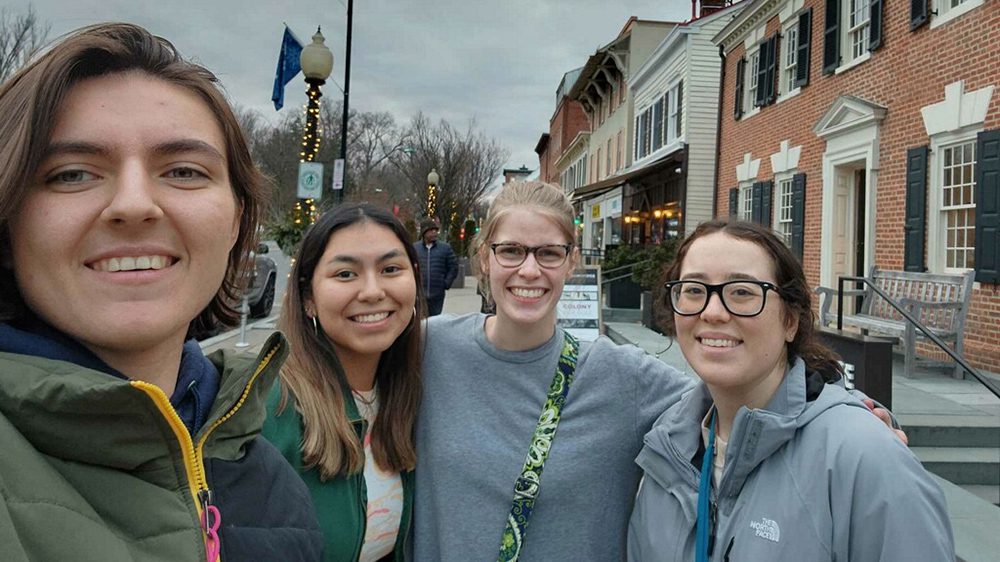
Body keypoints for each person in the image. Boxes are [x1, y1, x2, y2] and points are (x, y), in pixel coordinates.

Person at [412, 181, 906, 562]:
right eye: (511, 251)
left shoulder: (620, 377)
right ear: (485, 258)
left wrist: (856, 412)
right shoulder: (428, 348)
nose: (529, 270)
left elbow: (743, 393)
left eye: (548, 253)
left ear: (571, 262)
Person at [0, 23, 322, 561]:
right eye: (72, 174)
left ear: (238, 222)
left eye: (183, 171)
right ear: (8, 223)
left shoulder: (276, 488)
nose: (133, 203)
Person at [627, 220, 953, 561]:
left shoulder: (865, 458)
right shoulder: (668, 447)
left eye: (742, 292)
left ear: (790, 321)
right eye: (694, 290)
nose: (712, 312)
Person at [263, 203, 423, 562]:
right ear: (308, 299)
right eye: (346, 274)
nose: (371, 291)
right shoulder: (271, 407)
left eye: (391, 269)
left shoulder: (410, 391)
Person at [413, 219, 458, 316]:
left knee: (435, 321)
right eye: (431, 230)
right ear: (424, 233)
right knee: (421, 321)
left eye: (435, 230)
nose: (434, 233)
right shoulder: (415, 248)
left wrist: (446, 283)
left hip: (437, 294)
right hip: (420, 294)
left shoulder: (445, 248)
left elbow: (453, 267)